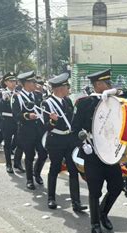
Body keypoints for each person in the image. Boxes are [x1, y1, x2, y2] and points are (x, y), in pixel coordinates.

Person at [72, 69, 124, 233]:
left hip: (110, 152)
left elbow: (124, 93)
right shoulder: (84, 103)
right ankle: (95, 224)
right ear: (97, 85)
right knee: (94, 191)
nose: (109, 85)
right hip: (92, 151)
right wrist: (82, 143)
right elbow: (75, 129)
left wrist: (113, 92)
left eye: (109, 83)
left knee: (117, 186)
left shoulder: (113, 100)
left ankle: (103, 212)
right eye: (105, 83)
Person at [42, 73, 87, 212]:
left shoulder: (67, 101)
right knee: (55, 168)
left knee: (73, 171)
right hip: (55, 140)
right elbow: (46, 127)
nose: (69, 89)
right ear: (60, 88)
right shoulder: (47, 103)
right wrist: (53, 120)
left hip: (69, 139)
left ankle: (76, 202)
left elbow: (72, 120)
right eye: (67, 86)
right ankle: (51, 198)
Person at [12, 71, 47, 190]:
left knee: (43, 153)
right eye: (32, 82)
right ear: (25, 84)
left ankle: (36, 173)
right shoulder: (17, 97)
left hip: (39, 130)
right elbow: (16, 114)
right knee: (29, 155)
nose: (34, 84)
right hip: (26, 130)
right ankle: (29, 179)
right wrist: (27, 115)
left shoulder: (37, 95)